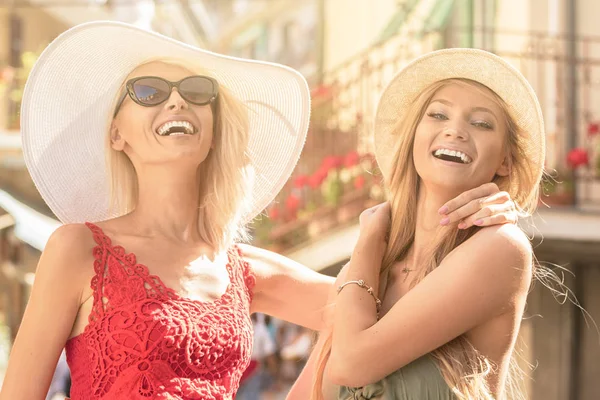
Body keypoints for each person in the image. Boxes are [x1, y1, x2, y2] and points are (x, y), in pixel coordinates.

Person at [0, 22, 519, 400]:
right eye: (150, 92)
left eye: (197, 93)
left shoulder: (245, 270)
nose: (177, 103)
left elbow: (394, 308)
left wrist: (473, 206)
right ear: (117, 133)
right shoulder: (79, 248)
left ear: (214, 128)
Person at [288, 48, 548, 400]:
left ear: (504, 160)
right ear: (413, 138)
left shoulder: (500, 247)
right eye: (438, 114)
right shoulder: (366, 273)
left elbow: (350, 365)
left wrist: (368, 238)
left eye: (482, 123)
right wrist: (369, 250)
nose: (455, 130)